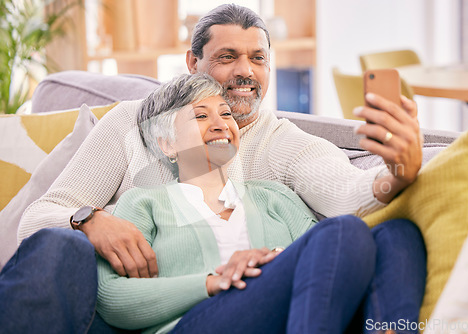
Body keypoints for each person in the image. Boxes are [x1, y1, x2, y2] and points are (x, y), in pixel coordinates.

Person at [0, 3, 424, 333]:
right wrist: (90, 221)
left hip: (244, 301)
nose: (245, 71)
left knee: (394, 234)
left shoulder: (284, 149)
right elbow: (37, 223)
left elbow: (346, 195)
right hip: (126, 308)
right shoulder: (134, 129)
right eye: (228, 57)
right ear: (193, 62)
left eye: (258, 58)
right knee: (63, 246)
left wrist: (398, 170)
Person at [96, 72, 425, 334]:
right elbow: (112, 298)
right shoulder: (144, 203)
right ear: (167, 143)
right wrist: (215, 280)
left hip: (285, 318)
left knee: (398, 234)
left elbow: (322, 257)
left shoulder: (272, 196)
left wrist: (273, 261)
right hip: (196, 322)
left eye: (226, 114)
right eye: (200, 116)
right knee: (343, 231)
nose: (221, 123)